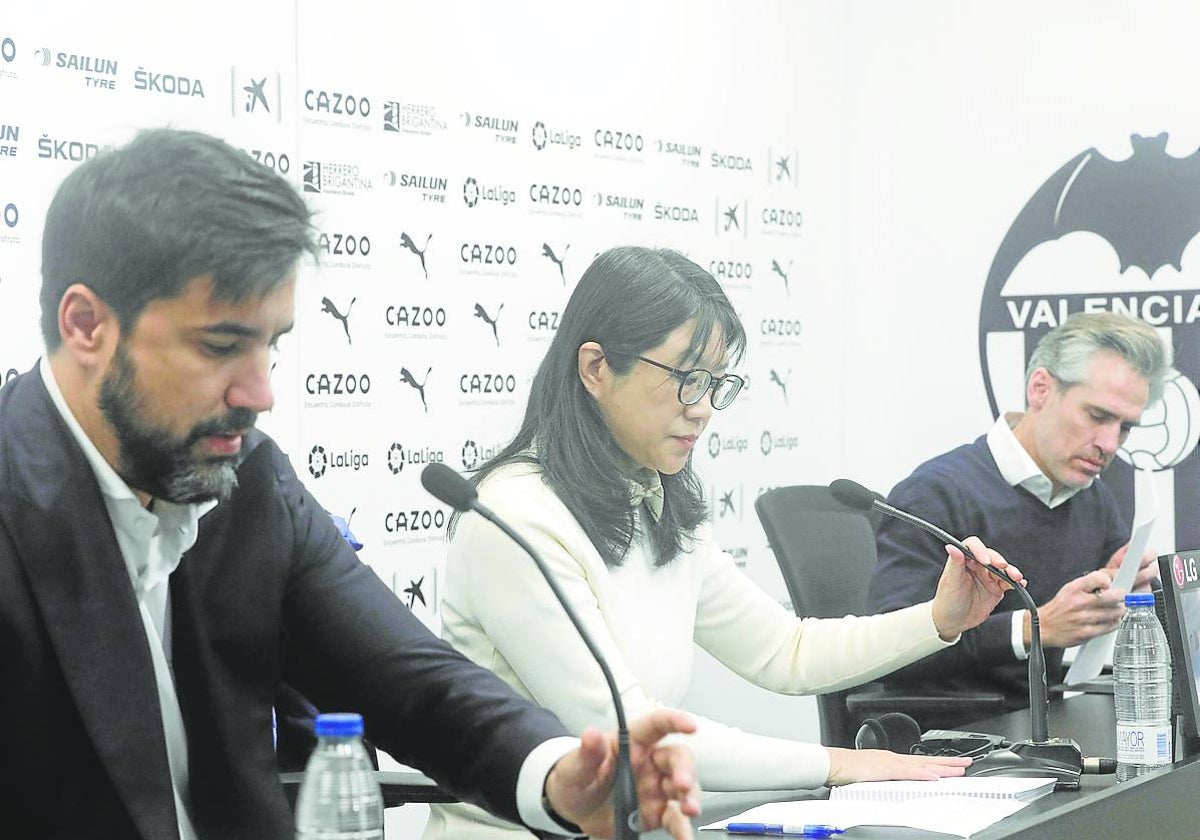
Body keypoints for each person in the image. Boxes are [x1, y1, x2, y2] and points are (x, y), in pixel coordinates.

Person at [0, 129, 702, 840]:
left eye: (271, 345)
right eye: (220, 346)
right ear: (87, 325)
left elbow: (411, 680)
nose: (260, 391)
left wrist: (558, 777)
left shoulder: (249, 480)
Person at [426, 246, 1025, 840]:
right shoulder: (515, 517)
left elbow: (783, 650)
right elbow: (629, 732)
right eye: (689, 381)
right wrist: (837, 763)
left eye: (717, 384)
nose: (706, 409)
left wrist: (940, 620)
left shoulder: (654, 498)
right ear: (596, 369)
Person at [867, 311, 1170, 722]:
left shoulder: (1092, 498)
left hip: (1051, 725)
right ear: (1040, 388)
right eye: (1097, 416)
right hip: (954, 742)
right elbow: (886, 652)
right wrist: (1032, 628)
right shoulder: (936, 493)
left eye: (1126, 429)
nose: (1109, 443)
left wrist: (1119, 586)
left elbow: (1090, 611)